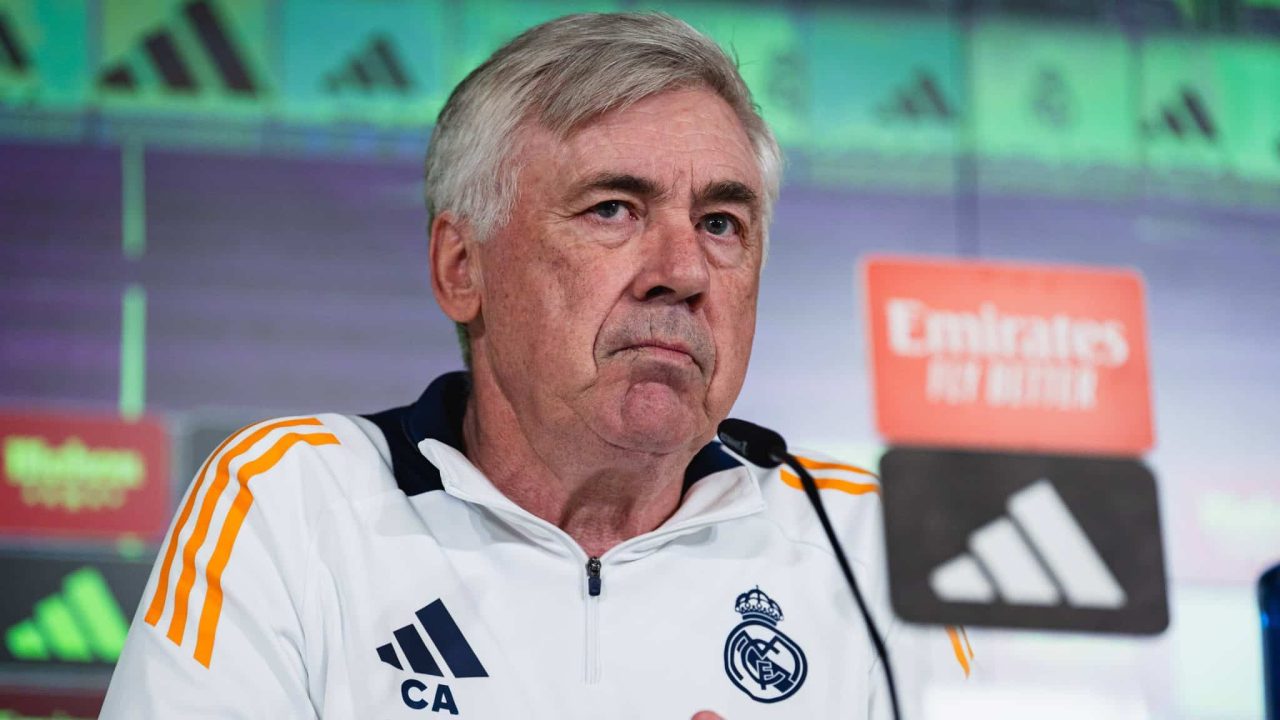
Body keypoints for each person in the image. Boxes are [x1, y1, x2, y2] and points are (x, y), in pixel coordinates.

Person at [102, 12, 968, 718]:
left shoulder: (867, 547)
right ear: (461, 268)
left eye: (720, 224)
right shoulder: (294, 503)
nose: (685, 270)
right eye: (613, 209)